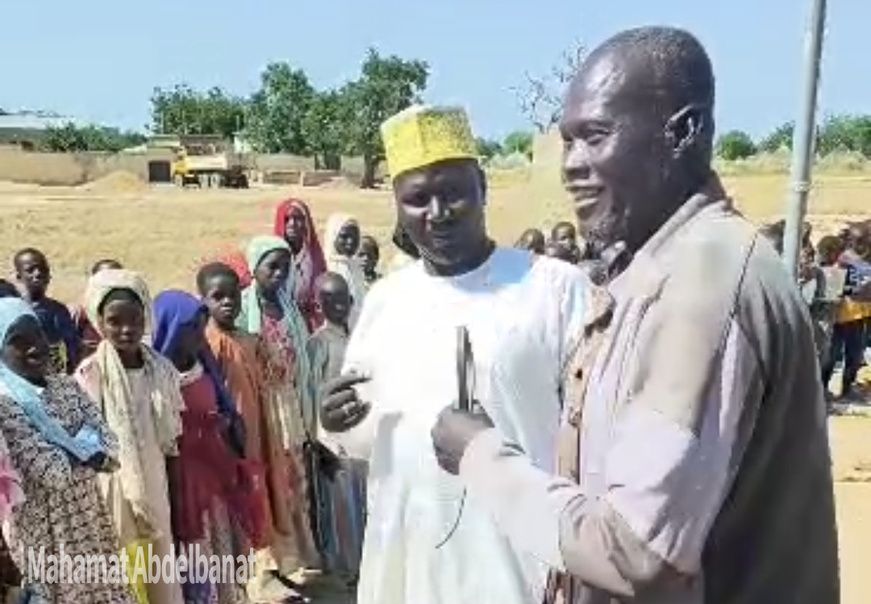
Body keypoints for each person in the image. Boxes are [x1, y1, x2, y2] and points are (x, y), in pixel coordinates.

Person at [430, 27, 838, 604]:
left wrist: (480, 454)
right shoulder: (657, 269)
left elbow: (637, 553)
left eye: (595, 137)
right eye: (568, 142)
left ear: (683, 132)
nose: (572, 165)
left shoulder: (702, 285)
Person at [319, 104, 592, 604]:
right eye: (418, 199)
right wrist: (336, 420)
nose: (438, 213)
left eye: (453, 193)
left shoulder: (555, 289)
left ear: (483, 188)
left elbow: (591, 439)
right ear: (399, 208)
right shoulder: (384, 301)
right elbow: (364, 439)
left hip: (518, 564)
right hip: (409, 565)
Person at [0, 297, 134, 603]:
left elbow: (111, 445)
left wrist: (71, 446)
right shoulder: (5, 404)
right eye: (17, 342)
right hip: (47, 532)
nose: (33, 347)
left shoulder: (65, 385)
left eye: (37, 336)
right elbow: (53, 472)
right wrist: (86, 445)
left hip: (90, 520)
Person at [75, 269, 185, 604]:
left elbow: (170, 442)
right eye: (115, 320)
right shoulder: (90, 375)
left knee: (159, 562)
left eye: (135, 320)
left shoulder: (162, 370)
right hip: (113, 488)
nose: (126, 329)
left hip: (155, 480)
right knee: (123, 566)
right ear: (99, 322)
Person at [198, 262, 303, 603]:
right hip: (230, 441)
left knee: (264, 496)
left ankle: (269, 570)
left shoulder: (248, 339)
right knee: (239, 504)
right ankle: (249, 579)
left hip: (260, 431)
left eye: (233, 296)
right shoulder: (207, 344)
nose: (228, 303)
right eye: (218, 297)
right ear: (204, 301)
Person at [152, 290, 251, 604]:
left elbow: (224, 407)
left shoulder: (203, 363)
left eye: (201, 327)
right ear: (169, 329)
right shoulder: (156, 378)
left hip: (213, 477)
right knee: (192, 555)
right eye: (190, 329)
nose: (198, 336)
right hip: (179, 483)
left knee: (220, 546)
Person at [236, 236, 319, 584]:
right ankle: (272, 562)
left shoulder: (288, 307)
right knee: (269, 483)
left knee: (295, 482)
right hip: (262, 408)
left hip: (290, 405)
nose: (280, 273)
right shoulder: (242, 309)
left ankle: (301, 555)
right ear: (254, 269)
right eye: (272, 266)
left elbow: (302, 361)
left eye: (285, 266)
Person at [305, 273, 365, 582]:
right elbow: (313, 391)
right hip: (332, 438)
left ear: (352, 301)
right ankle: (345, 567)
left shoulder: (360, 337)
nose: (338, 305)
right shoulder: (317, 344)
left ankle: (363, 563)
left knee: (360, 499)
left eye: (343, 299)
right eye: (329, 300)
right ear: (318, 305)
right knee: (339, 503)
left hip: (360, 433)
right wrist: (317, 440)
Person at [823, 224, 871, 400]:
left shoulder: (867, 259)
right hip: (839, 318)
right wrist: (856, 290)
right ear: (850, 241)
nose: (863, 244)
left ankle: (848, 389)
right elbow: (833, 290)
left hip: (859, 317)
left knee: (854, 356)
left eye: (865, 240)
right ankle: (822, 388)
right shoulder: (843, 260)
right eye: (859, 241)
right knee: (832, 356)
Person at [14, 248, 80, 374]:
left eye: (42, 269)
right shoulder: (13, 310)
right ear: (19, 276)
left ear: (49, 276)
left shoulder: (58, 311)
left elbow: (71, 348)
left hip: (53, 376)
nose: (38, 273)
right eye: (30, 270)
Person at [273, 199, 328, 332]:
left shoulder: (314, 258)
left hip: (308, 323)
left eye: (298, 219)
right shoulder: (272, 258)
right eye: (287, 219)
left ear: (306, 223)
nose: (292, 224)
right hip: (279, 323)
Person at [72, 258, 124, 361]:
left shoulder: (129, 314)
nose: (111, 283)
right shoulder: (79, 313)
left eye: (116, 278)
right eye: (104, 278)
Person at [323, 214, 367, 331]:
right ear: (333, 236)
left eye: (355, 236)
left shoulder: (356, 266)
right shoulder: (326, 267)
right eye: (344, 236)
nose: (350, 241)